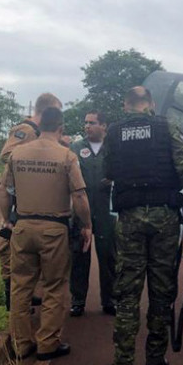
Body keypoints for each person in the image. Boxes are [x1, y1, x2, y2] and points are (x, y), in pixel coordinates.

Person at [99, 86, 183, 365]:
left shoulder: (115, 132)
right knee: (162, 290)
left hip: (130, 217)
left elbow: (107, 171)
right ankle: (155, 362)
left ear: (125, 104)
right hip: (165, 217)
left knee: (128, 292)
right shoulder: (167, 126)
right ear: (151, 105)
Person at [0, 106, 92, 360]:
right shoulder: (66, 156)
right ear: (60, 128)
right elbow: (80, 195)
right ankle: (47, 344)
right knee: (54, 286)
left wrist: (8, 219)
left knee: (20, 287)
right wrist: (86, 225)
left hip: (23, 226)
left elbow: (4, 190)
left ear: (39, 127)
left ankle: (21, 344)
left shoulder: (17, 154)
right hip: (54, 230)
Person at [0, 93, 62, 310]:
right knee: (8, 246)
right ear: (44, 112)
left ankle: (23, 296)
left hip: (30, 199)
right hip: (17, 199)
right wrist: (38, 149)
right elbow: (6, 154)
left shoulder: (38, 133)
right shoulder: (26, 130)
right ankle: (11, 298)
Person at [69, 110, 117, 317]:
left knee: (109, 256)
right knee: (80, 256)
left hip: (108, 210)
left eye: (92, 123)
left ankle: (109, 300)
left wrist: (115, 180)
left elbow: (125, 173)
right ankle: (78, 300)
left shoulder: (115, 148)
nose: (87, 126)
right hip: (82, 210)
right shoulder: (75, 148)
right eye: (86, 122)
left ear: (104, 126)